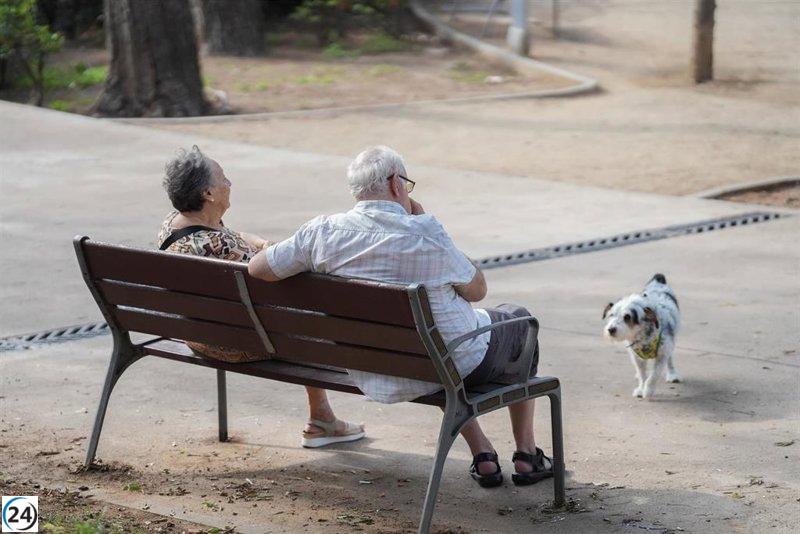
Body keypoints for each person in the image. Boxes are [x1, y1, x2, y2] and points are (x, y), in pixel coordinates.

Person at [248, 145, 553, 487]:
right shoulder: (425, 234)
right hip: (447, 362)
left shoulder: (321, 232)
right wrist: (429, 227)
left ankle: (482, 452)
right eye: (406, 184)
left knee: (431, 341)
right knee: (519, 322)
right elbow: (477, 289)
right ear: (396, 184)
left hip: (375, 365)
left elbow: (258, 269)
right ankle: (527, 455)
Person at [158, 145, 364, 448]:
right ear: (208, 194)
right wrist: (270, 249)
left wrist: (261, 243)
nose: (230, 183)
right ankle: (321, 419)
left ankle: (322, 415)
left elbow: (235, 237)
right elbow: (275, 270)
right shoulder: (222, 247)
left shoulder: (176, 225)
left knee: (293, 313)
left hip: (198, 333)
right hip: (237, 343)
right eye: (223, 178)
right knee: (305, 311)